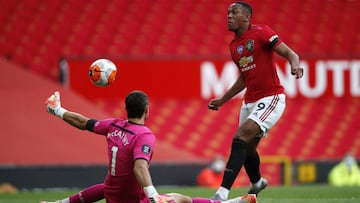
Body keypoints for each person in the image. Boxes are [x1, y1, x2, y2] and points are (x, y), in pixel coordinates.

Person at [41, 91, 257, 203]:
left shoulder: (113, 125)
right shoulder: (144, 135)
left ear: (126, 109)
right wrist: (153, 195)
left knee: (105, 187)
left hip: (115, 195)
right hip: (135, 200)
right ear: (147, 109)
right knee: (179, 199)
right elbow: (139, 168)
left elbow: (82, 122)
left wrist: (58, 110)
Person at [208, 1, 304, 201]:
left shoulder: (262, 32)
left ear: (246, 17)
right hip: (249, 101)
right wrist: (223, 100)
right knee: (248, 148)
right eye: (228, 13)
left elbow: (290, 53)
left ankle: (222, 193)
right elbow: (244, 77)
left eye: (234, 13)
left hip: (271, 97)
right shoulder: (234, 46)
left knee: (241, 136)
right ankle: (257, 182)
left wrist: (295, 65)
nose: (229, 16)